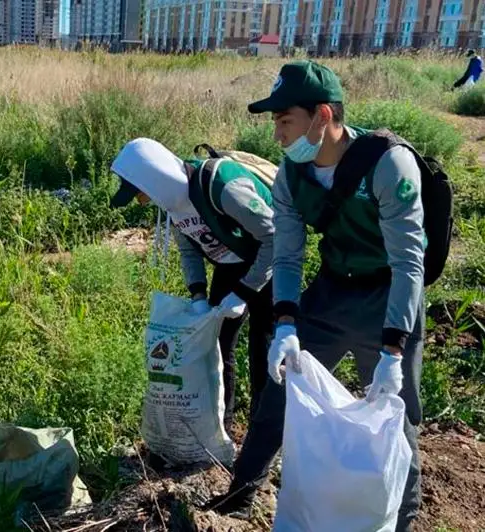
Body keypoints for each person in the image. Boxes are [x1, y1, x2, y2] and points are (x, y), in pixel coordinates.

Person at [206, 61, 425, 532]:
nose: (278, 135)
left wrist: (393, 348)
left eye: (285, 121)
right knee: (281, 392)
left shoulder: (389, 165)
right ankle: (241, 495)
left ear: (323, 116)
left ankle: (402, 522)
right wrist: (285, 323)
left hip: (388, 299)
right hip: (330, 292)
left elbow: (410, 262)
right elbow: (286, 256)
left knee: (396, 415)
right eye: (275, 123)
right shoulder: (291, 175)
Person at [109, 137, 275, 432]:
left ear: (155, 179)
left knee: (263, 347)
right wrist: (198, 294)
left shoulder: (222, 189)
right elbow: (189, 250)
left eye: (140, 193)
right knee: (219, 345)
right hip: (229, 263)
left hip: (271, 263)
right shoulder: (174, 204)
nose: (141, 201)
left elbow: (275, 238)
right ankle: (221, 425)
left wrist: (245, 291)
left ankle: (262, 429)